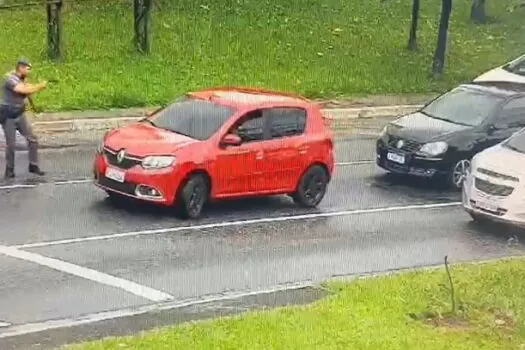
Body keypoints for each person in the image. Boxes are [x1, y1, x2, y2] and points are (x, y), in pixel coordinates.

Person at [0, 59, 47, 178]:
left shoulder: (22, 79)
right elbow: (22, 89)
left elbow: (27, 89)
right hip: (8, 116)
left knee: (32, 139)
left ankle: (33, 165)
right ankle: (9, 171)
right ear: (20, 67)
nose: (28, 71)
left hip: (19, 115)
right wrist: (39, 87)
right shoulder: (10, 79)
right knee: (11, 145)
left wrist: (33, 106)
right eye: (27, 68)